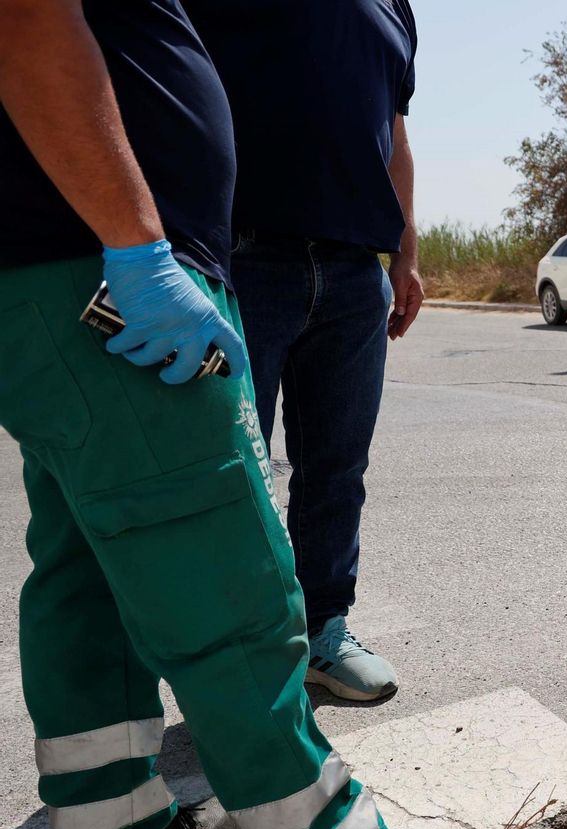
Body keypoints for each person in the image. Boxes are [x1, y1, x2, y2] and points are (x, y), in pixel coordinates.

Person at [0, 2, 507, 829]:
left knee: (87, 565)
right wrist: (135, 241)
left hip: (68, 265)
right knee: (221, 561)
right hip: (102, 258)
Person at [182, 0, 425, 703]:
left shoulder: (396, 8)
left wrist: (405, 251)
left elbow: (396, 139)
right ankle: (236, 662)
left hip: (354, 272)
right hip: (239, 258)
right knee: (228, 475)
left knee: (336, 469)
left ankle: (324, 633)